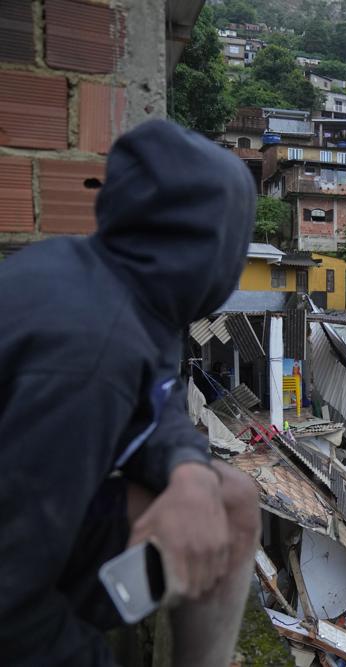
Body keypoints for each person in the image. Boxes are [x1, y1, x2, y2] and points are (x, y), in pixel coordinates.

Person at [0, 120, 261, 667]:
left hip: (40, 526)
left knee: (230, 501)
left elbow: (158, 398)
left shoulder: (119, 285)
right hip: (18, 579)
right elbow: (9, 599)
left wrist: (187, 470)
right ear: (213, 246)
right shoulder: (89, 358)